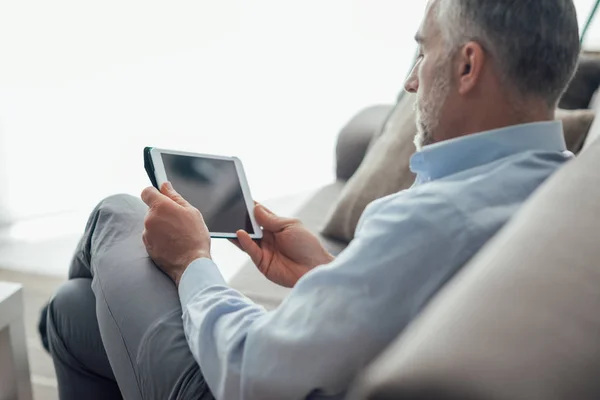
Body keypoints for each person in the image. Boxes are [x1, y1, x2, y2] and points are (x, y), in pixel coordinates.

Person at [43, 0, 580, 399]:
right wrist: (325, 273)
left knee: (116, 213)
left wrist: (191, 263)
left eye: (423, 51)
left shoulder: (437, 217)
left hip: (248, 382)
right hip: (339, 367)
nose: (413, 81)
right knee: (73, 314)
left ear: (467, 66)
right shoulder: (562, 188)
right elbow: (415, 295)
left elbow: (249, 370)